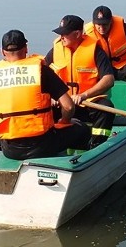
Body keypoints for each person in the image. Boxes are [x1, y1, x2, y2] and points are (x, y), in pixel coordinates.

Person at [0, 30, 90, 160]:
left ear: (2, 52)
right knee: (81, 129)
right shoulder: (41, 71)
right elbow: (68, 106)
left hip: (10, 150)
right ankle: (75, 161)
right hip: (42, 146)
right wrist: (64, 122)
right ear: (26, 48)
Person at [45, 15, 115, 148]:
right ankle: (52, 145)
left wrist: (84, 95)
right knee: (42, 107)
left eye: (65, 34)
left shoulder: (95, 50)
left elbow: (108, 79)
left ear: (77, 34)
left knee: (107, 109)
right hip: (63, 103)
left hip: (87, 102)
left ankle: (96, 146)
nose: (61, 37)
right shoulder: (56, 49)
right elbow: (41, 74)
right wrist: (51, 96)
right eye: (60, 34)